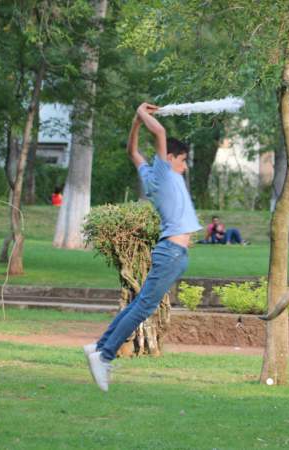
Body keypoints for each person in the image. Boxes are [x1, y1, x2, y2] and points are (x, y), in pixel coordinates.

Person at [84, 102, 201, 392]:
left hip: (172, 253)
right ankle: (105, 355)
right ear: (170, 158)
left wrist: (137, 121)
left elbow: (132, 152)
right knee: (143, 307)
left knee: (139, 304)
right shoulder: (162, 174)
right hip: (172, 252)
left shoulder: (151, 174)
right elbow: (159, 132)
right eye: (183, 160)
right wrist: (143, 114)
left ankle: (98, 347)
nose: (185, 166)